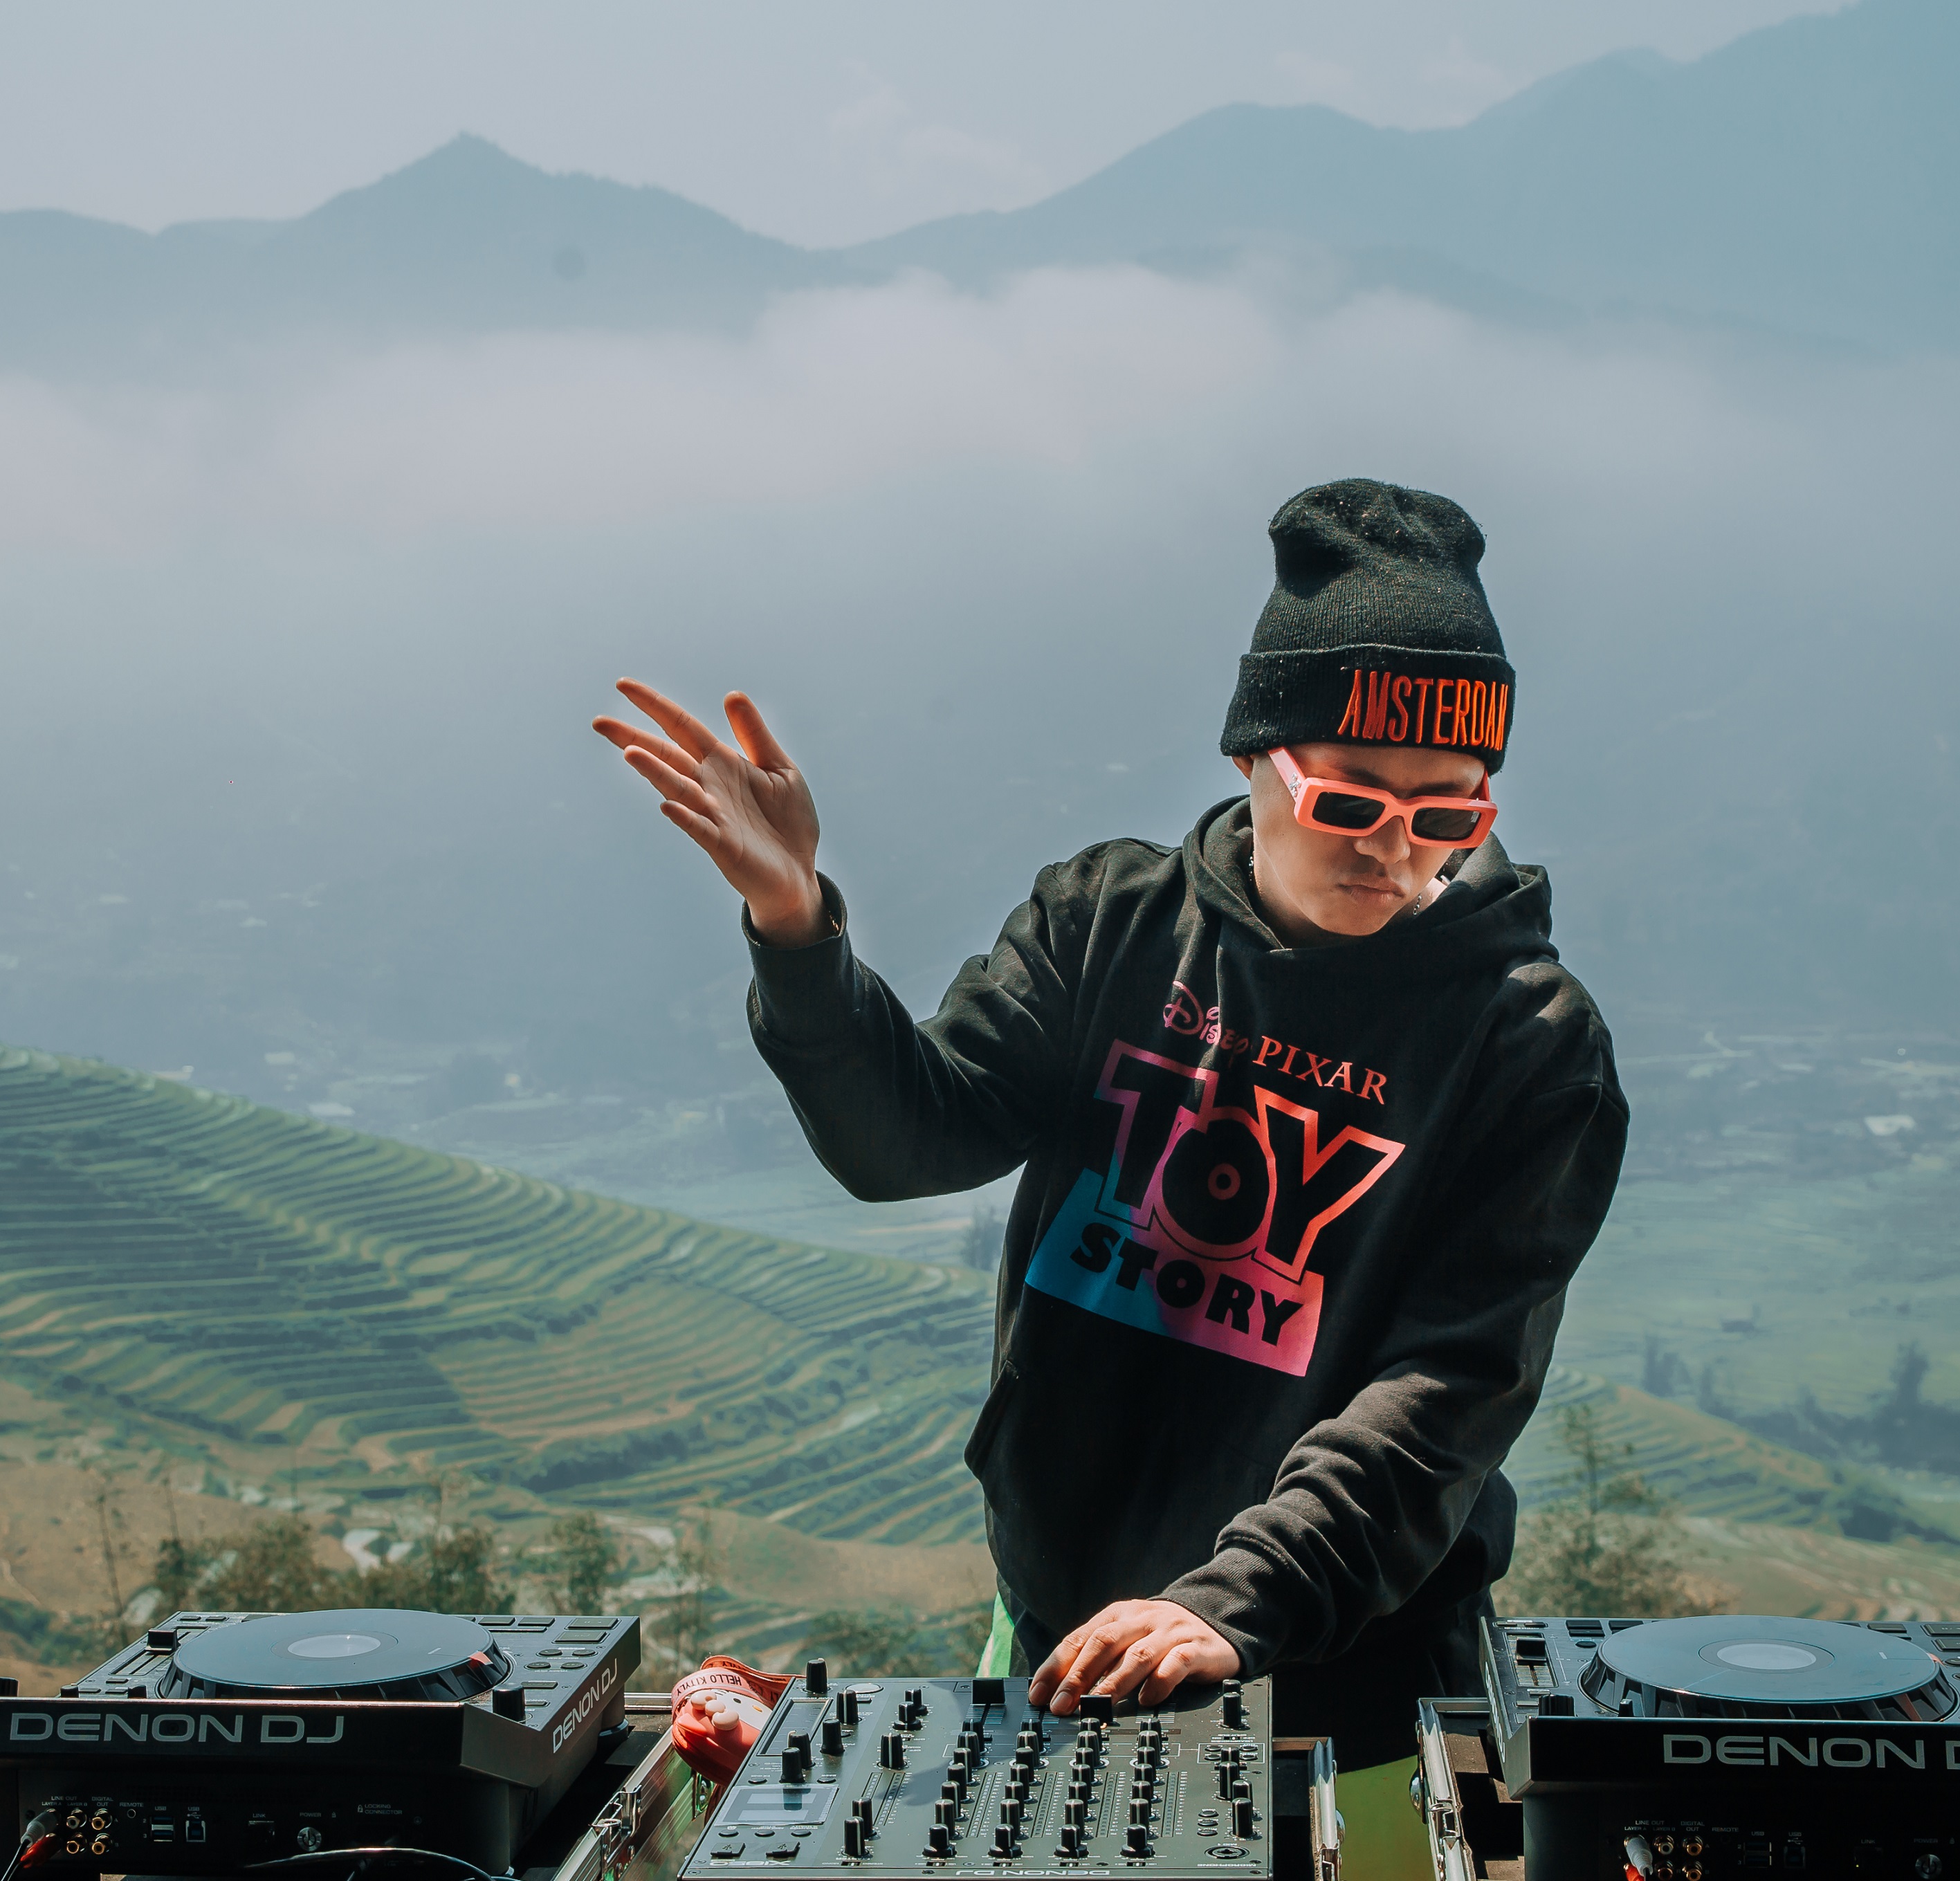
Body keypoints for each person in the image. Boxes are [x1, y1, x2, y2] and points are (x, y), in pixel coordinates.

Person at [591, 477, 1626, 1773]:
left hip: (1349, 1684)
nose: (1392, 850)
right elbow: (907, 1140)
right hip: (1061, 1634)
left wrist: (1229, 1605)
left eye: (1445, 813)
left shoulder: (1528, 1042)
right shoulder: (1108, 925)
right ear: (1254, 757)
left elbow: (1443, 1391)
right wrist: (797, 924)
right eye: (1350, 800)